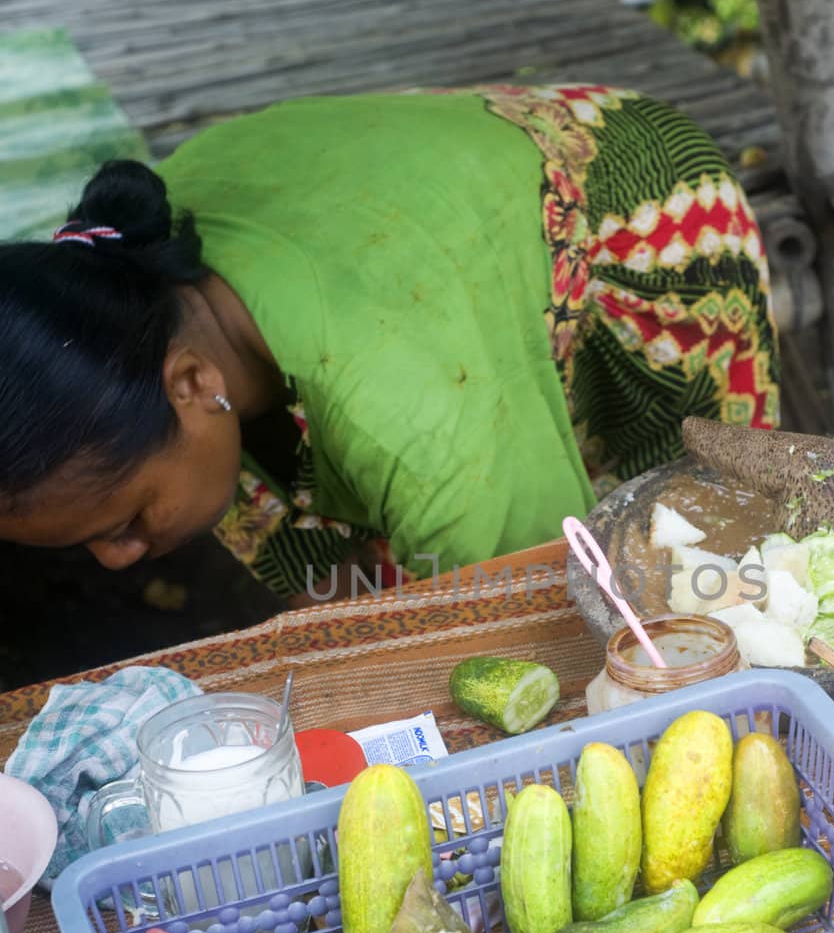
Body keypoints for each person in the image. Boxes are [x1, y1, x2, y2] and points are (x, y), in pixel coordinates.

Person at [0, 85, 780, 603]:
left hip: (634, 195)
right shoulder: (128, 266)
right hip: (415, 209)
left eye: (123, 522)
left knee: (679, 545)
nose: (120, 557)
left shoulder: (416, 423)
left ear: (193, 381)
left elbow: (534, 609)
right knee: (241, 489)